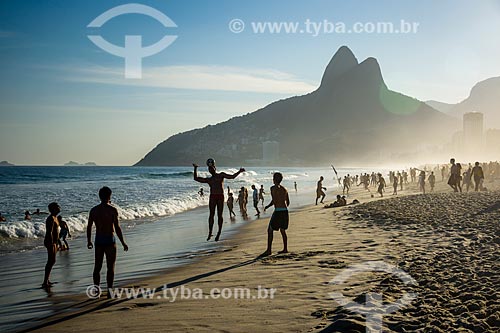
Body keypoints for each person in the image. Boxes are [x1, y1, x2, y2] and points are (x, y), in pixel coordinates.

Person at [87, 187, 128, 295]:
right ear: (110, 196)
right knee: (111, 267)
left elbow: (89, 226)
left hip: (99, 240)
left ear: (99, 196)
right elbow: (117, 228)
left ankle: (96, 290)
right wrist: (123, 242)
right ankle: (110, 290)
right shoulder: (112, 210)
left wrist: (89, 241)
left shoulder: (94, 210)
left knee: (97, 267)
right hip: (110, 240)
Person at [193, 159, 245, 241]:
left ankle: (219, 232)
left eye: (212, 168)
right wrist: (195, 168)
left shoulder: (221, 175)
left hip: (220, 196)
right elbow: (196, 178)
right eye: (209, 169)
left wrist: (239, 171)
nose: (211, 170)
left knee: (219, 215)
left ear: (215, 168)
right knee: (211, 215)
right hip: (213, 197)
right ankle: (210, 232)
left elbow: (232, 177)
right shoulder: (209, 179)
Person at [261, 172, 289, 256]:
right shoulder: (285, 189)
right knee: (282, 230)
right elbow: (288, 202)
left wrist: (267, 206)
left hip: (278, 211)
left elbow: (274, 200)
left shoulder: (272, 188)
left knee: (270, 230)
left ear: (274, 179)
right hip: (285, 211)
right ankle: (285, 249)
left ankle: (269, 250)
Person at [42, 202, 60, 288]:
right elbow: (49, 232)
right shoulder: (51, 219)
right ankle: (45, 281)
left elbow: (56, 231)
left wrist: (58, 241)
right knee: (51, 261)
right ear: (53, 209)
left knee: (52, 261)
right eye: (57, 207)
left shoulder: (55, 218)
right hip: (50, 241)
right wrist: (52, 243)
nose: (59, 208)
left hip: (54, 242)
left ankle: (47, 280)